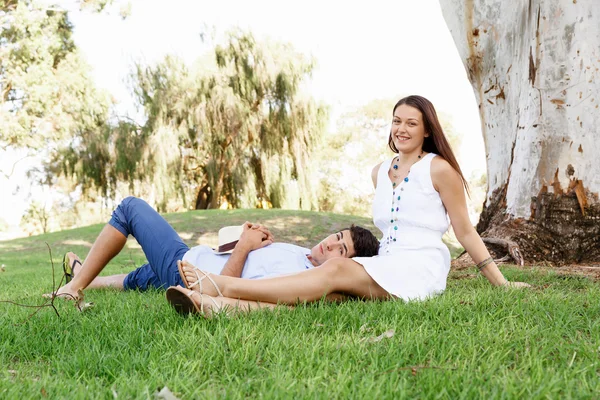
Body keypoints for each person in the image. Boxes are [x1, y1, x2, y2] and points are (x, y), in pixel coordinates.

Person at [168, 95, 530, 316]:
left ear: (427, 131)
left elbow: (465, 231)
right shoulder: (378, 173)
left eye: (411, 123)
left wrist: (501, 284)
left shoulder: (439, 169)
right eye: (397, 121)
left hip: (419, 265)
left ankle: (225, 287)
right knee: (332, 294)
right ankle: (219, 308)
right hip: (385, 261)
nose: (401, 129)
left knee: (337, 271)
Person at [46, 197, 380, 300]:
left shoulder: (301, 275)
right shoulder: (300, 254)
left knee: (130, 209)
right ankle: (83, 274)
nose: (330, 242)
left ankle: (72, 289)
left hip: (188, 268)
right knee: (137, 279)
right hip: (194, 257)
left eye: (341, 249)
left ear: (346, 266)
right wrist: (248, 238)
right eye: (337, 236)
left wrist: (246, 248)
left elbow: (224, 288)